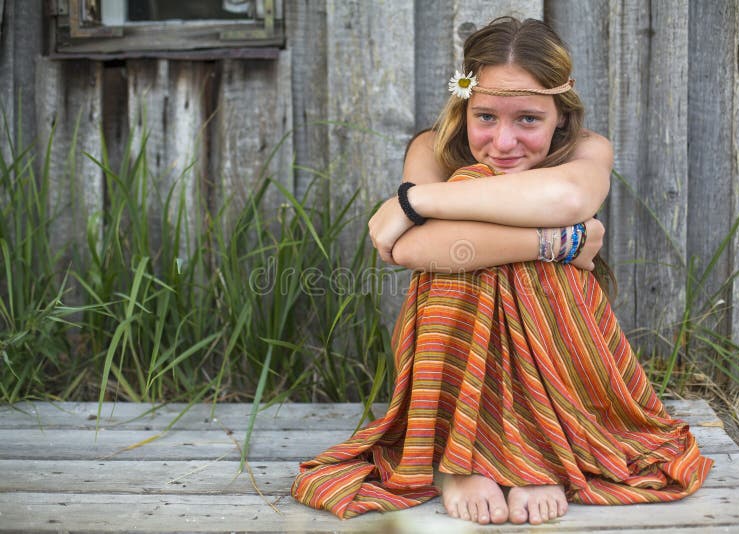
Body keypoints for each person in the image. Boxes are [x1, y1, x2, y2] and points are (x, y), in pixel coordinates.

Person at [291, 17, 712, 526]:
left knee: (493, 219)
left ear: (561, 113)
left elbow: (570, 195)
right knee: (477, 198)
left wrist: (415, 199)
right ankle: (458, 452)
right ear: (464, 104)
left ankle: (540, 446)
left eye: (528, 120)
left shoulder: (586, 150)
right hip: (458, 336)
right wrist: (559, 241)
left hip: (559, 345)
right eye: (485, 116)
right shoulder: (432, 148)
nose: (505, 141)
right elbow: (416, 249)